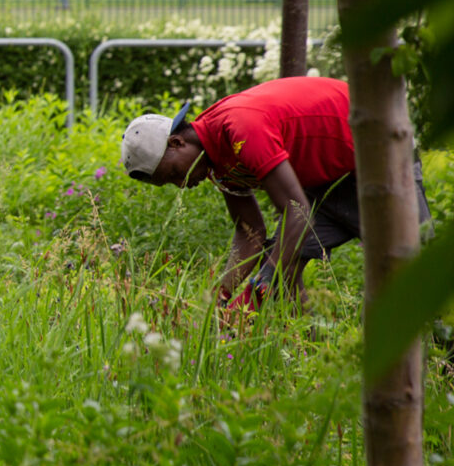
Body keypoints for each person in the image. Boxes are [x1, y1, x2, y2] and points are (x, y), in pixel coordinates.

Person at [120, 76, 428, 310]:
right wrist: (221, 298)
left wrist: (261, 280)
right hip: (328, 176)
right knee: (284, 271)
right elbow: (249, 232)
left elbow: (297, 211)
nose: (182, 185)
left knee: (423, 276)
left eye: (174, 174)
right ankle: (313, 367)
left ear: (176, 143)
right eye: (171, 183)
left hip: (380, 152)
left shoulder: (239, 128)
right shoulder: (216, 160)